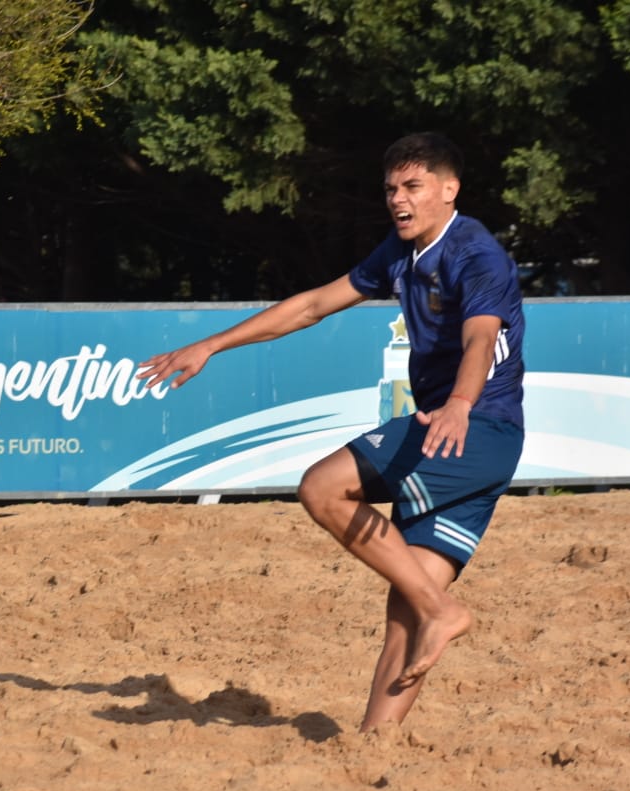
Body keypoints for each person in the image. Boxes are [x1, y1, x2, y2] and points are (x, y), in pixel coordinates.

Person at [139, 132, 525, 732]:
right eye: (391, 188)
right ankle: (377, 741)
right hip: (473, 438)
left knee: (322, 488)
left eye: (413, 187)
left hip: (470, 428)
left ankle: (442, 610)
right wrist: (212, 344)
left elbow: (481, 336)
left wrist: (458, 403)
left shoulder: (476, 253)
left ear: (450, 191)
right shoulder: (401, 254)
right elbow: (314, 305)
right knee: (405, 607)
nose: (398, 199)